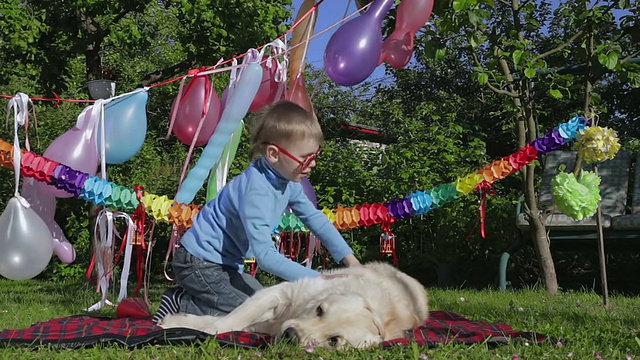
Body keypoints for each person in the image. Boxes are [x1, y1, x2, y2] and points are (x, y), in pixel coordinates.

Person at [152, 100, 361, 323]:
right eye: (305, 158)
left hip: (225, 266)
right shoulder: (257, 192)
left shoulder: (287, 182)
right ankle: (179, 302)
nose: (313, 164)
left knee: (268, 304)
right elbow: (266, 258)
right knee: (255, 315)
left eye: (315, 155)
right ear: (273, 154)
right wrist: (319, 280)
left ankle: (196, 299)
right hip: (199, 263)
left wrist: (351, 261)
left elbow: (315, 219)